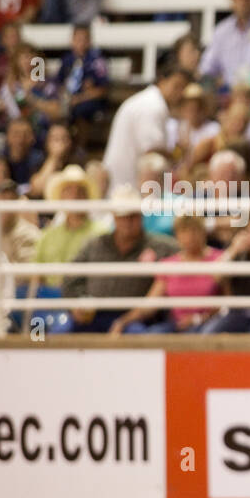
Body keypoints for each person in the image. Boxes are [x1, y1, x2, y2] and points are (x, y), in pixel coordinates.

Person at [63, 188, 178, 333]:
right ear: (114, 217)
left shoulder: (161, 247)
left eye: (133, 216)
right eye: (123, 216)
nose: (128, 222)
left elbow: (186, 255)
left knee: (138, 335)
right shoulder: (95, 245)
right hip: (92, 315)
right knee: (61, 331)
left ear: (141, 216)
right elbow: (70, 278)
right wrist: (76, 304)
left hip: (137, 318)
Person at [110, 214, 221, 334]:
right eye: (184, 232)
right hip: (176, 324)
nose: (189, 237)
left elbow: (227, 302)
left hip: (208, 324)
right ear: (176, 235)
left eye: (194, 231)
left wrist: (198, 319)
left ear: (203, 232)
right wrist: (123, 321)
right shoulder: (169, 265)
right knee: (151, 335)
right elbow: (150, 304)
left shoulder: (220, 259)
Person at [102, 59, 189, 188]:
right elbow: (151, 152)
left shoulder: (148, 101)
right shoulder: (152, 106)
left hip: (125, 183)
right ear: (162, 81)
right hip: (127, 186)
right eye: (176, 86)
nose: (179, 93)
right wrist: (177, 154)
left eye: (183, 88)